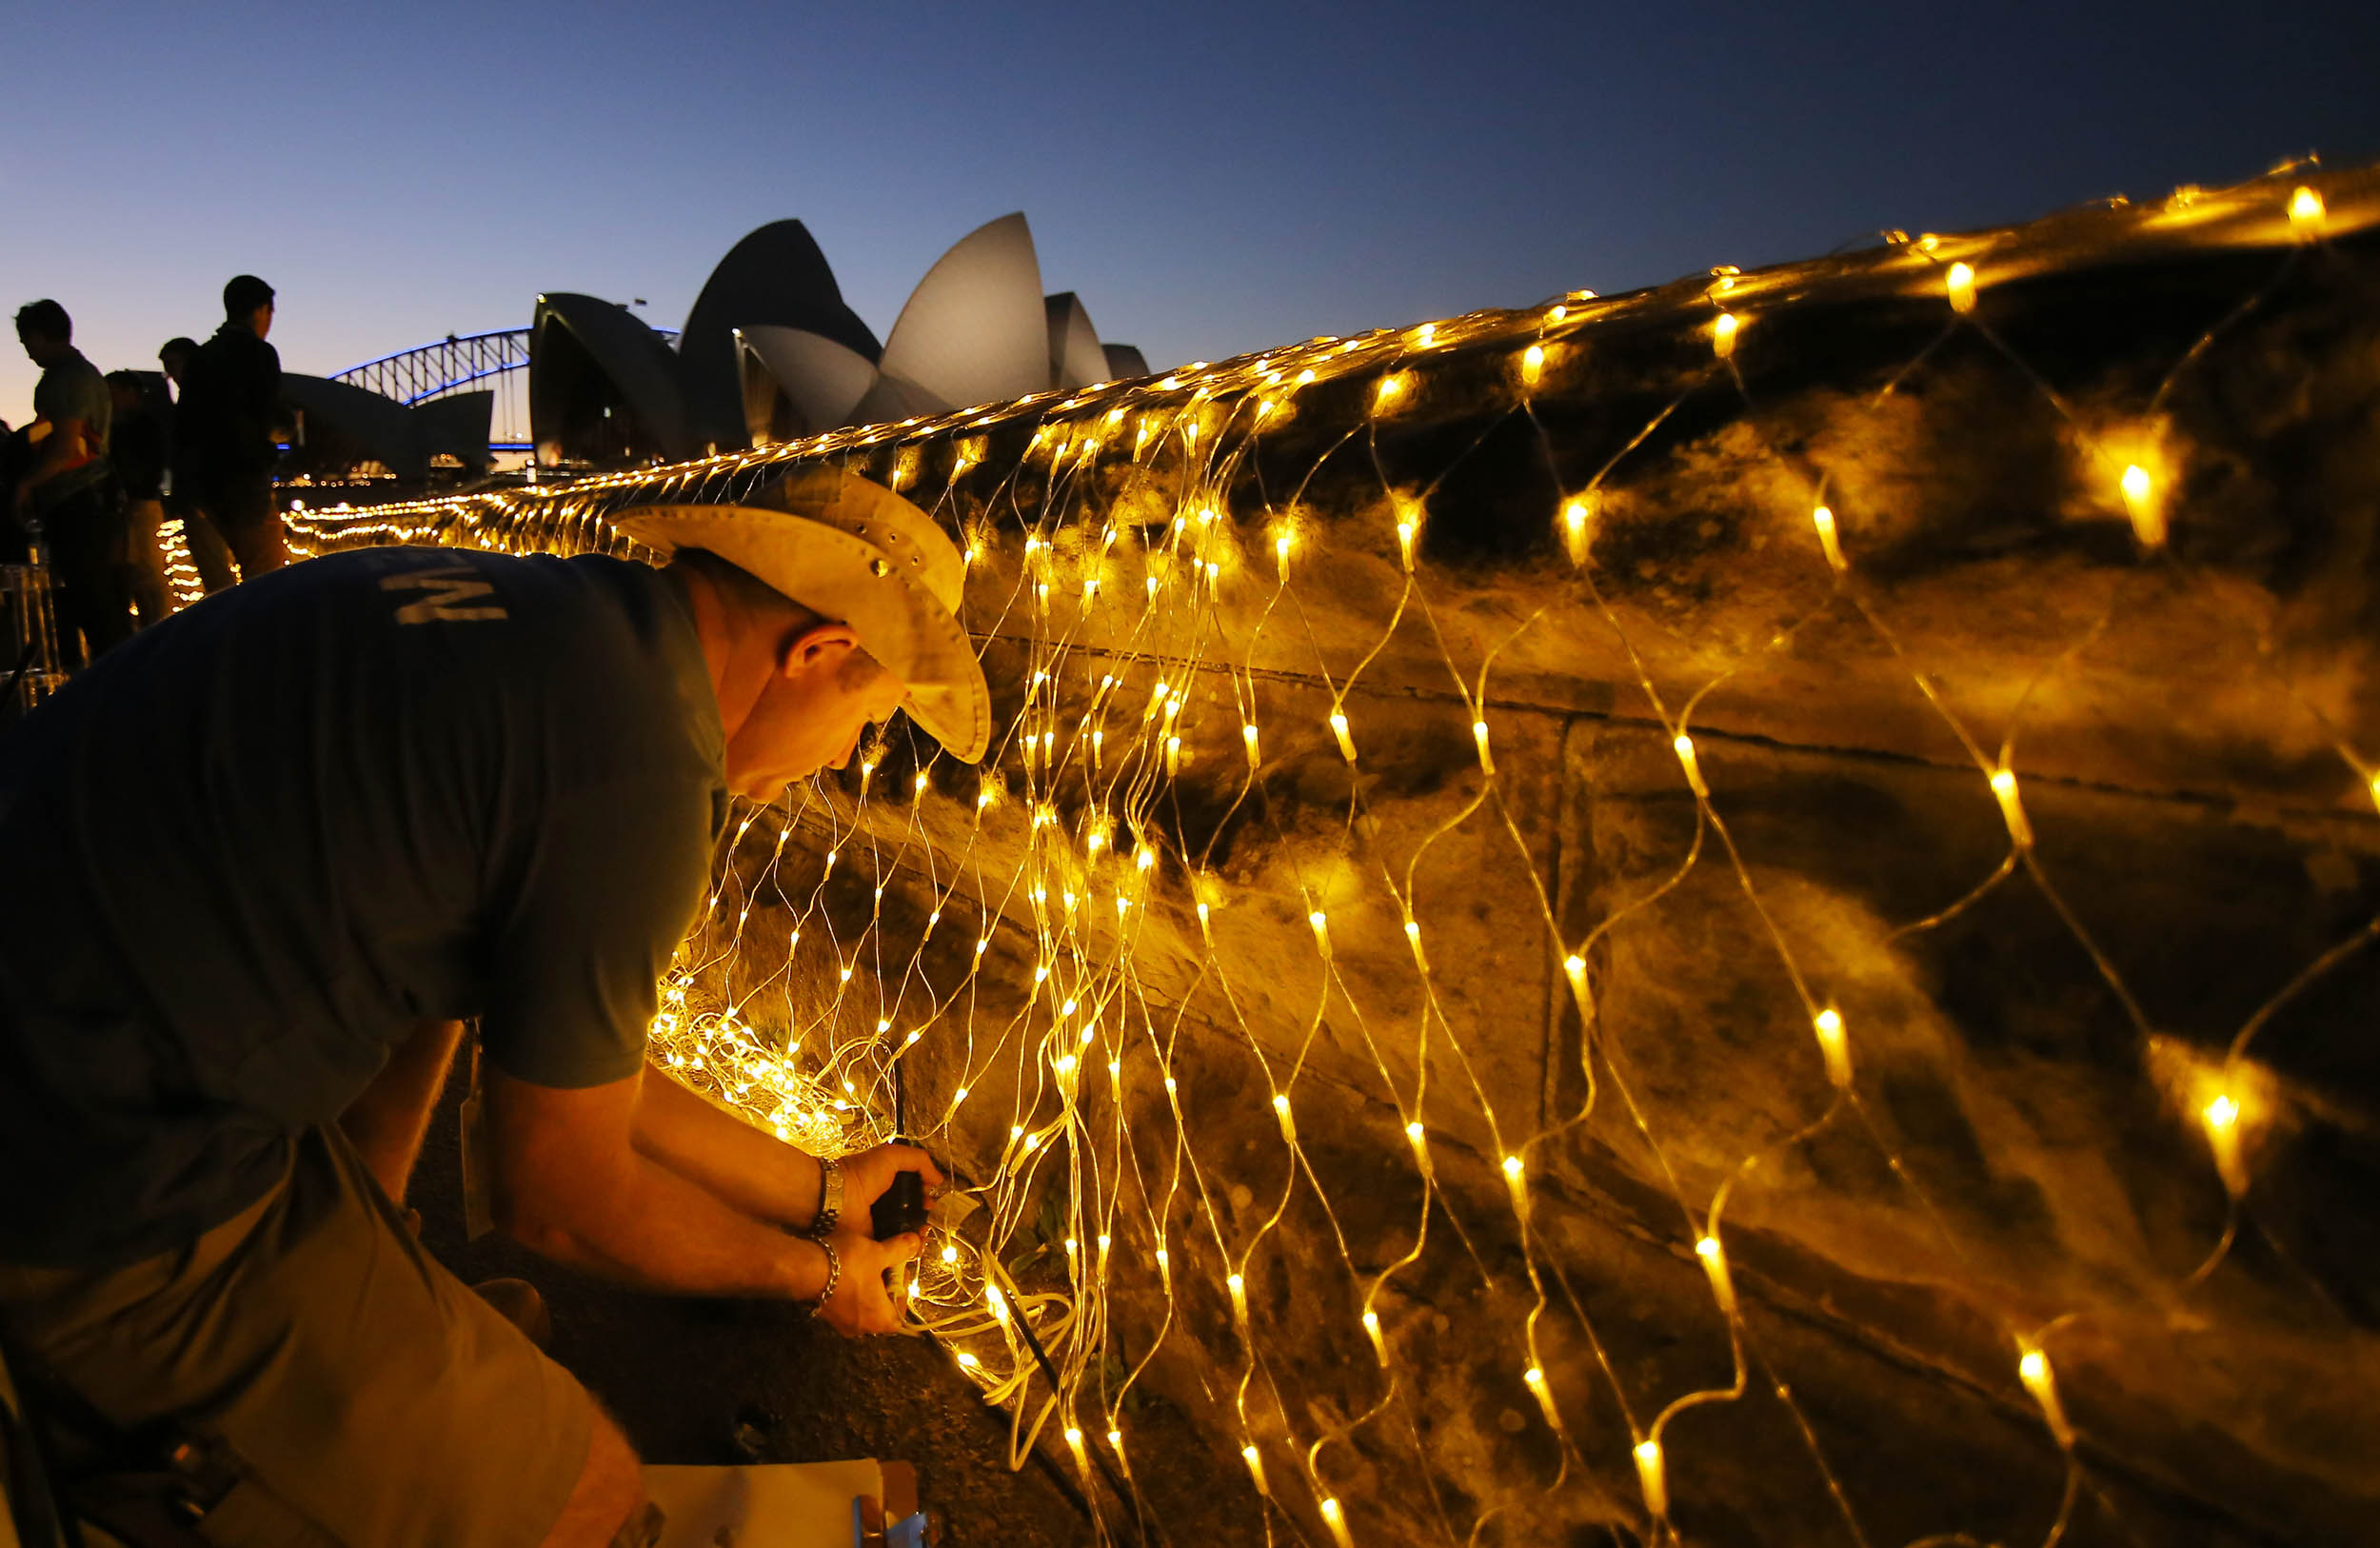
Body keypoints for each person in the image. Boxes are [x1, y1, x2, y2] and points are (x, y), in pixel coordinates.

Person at [0, 467, 988, 1548]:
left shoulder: (555, 627)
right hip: (91, 1184)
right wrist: (821, 1274)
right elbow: (561, 1191)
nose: (843, 759)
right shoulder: (635, 770)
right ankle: (163, 1458)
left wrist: (825, 1191)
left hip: (89, 1023)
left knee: (446, 1087)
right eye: (869, 718)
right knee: (585, 1492)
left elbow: (560, 1060)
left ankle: (369, 1312)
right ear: (819, 653)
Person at [10, 301, 130, 665]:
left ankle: (118, 693)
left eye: (26, 341)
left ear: (39, 335)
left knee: (98, 611)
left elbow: (65, 447)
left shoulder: (67, 379)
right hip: (89, 503)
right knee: (101, 609)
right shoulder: (75, 375)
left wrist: (25, 485)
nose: (26, 351)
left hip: (80, 503)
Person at [183, 275, 288, 580]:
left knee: (220, 586)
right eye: (270, 313)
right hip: (246, 484)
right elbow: (267, 414)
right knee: (266, 580)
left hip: (205, 489)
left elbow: (186, 426)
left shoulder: (201, 357)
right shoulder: (259, 353)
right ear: (260, 310)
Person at [157, 335, 236, 594]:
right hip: (205, 499)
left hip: (206, 500)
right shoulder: (197, 398)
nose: (170, 372)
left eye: (173, 363)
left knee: (218, 577)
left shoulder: (200, 401)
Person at [105, 371, 172, 625]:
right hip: (132, 504)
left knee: (147, 572)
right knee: (135, 571)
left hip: (140, 503)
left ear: (131, 392)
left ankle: (157, 627)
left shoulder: (143, 426)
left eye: (114, 393)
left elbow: (148, 469)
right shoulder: (129, 425)